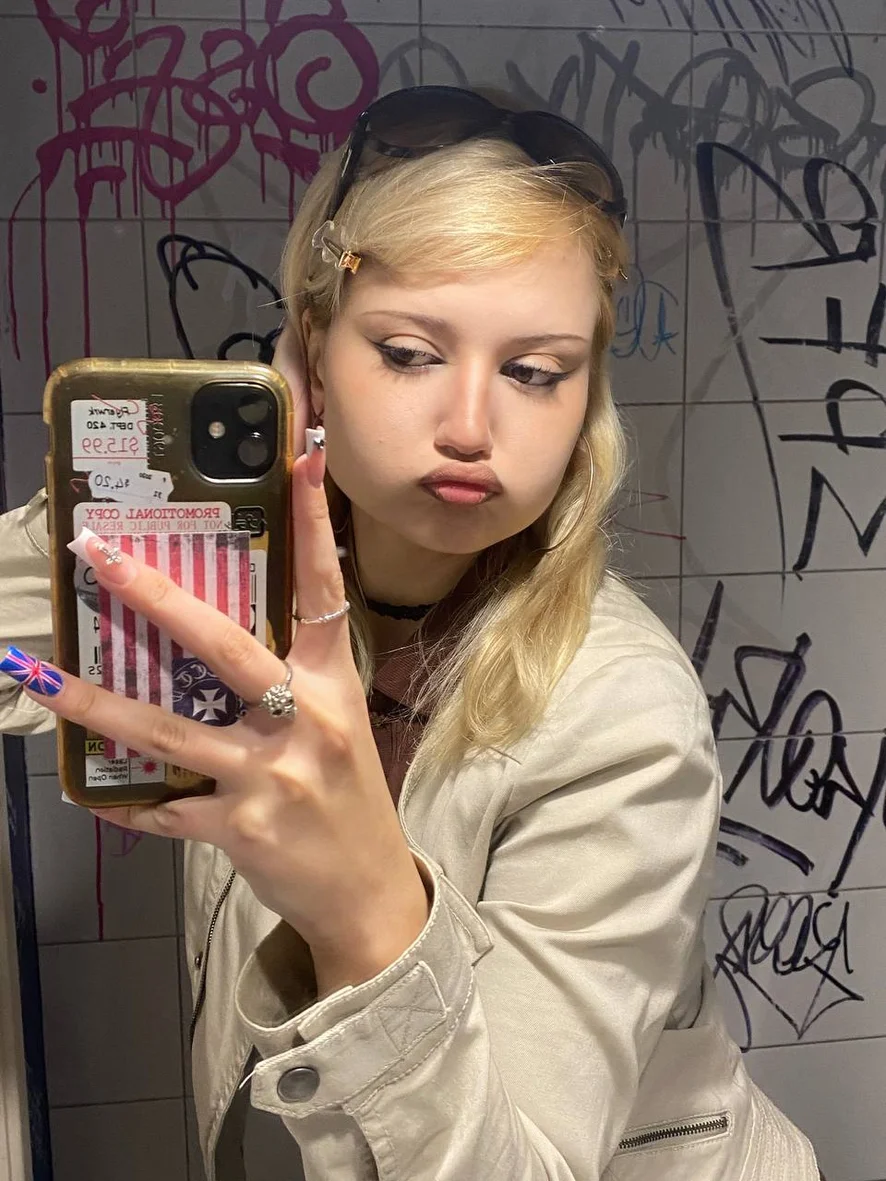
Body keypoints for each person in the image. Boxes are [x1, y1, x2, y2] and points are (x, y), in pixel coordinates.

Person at [0, 86, 824, 1180]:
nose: (472, 427)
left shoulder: (625, 713)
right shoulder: (227, 593)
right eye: (405, 352)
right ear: (311, 351)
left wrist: (365, 913)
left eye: (536, 372)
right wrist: (145, 508)